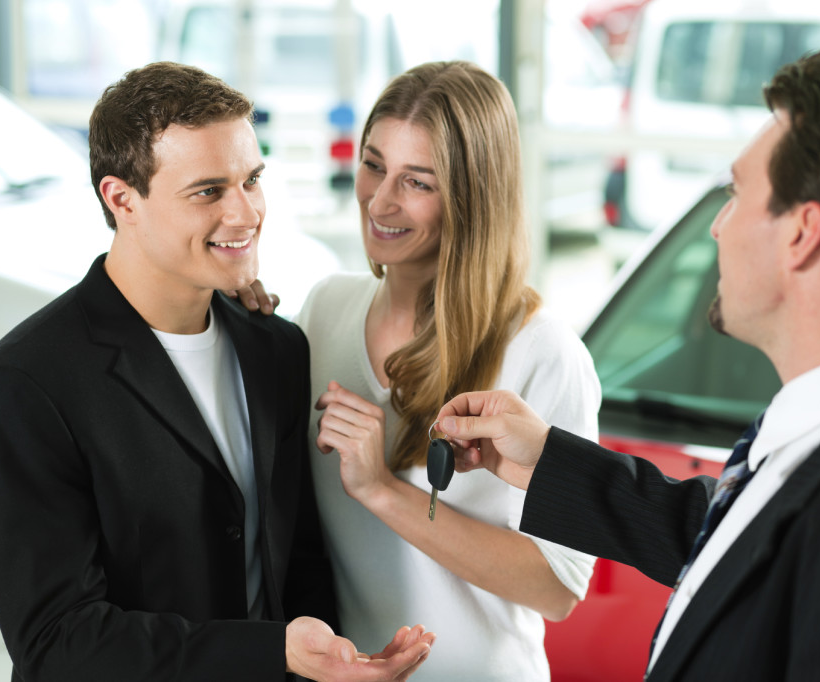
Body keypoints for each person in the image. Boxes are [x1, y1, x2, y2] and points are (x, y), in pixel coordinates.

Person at [435, 49, 820, 681]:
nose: (717, 229)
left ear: (803, 234)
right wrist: (548, 460)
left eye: (737, 195)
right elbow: (742, 537)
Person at [0, 61, 433, 682]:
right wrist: (269, 653)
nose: (246, 214)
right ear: (121, 198)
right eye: (208, 191)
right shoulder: (23, 389)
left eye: (252, 180)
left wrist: (330, 664)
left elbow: (298, 563)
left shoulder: (277, 351)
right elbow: (57, 642)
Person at [238, 60, 600, 681]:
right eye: (374, 165)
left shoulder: (543, 352)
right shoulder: (325, 309)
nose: (380, 200)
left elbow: (559, 588)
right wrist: (240, 332)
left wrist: (382, 490)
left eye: (418, 182)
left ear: (472, 198)